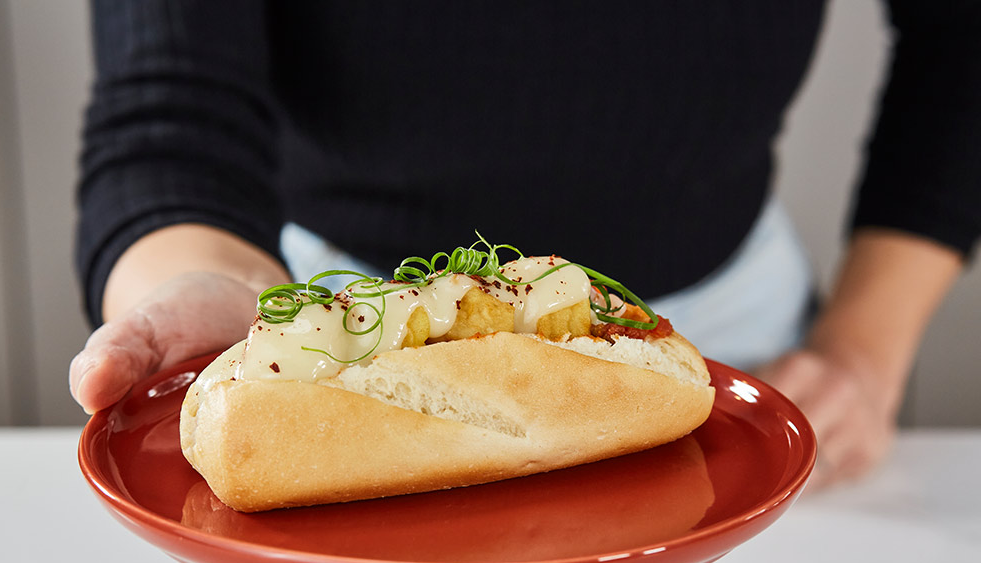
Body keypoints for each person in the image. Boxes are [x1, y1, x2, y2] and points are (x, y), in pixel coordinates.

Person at [69, 1, 977, 490]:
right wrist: (205, 281)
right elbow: (167, 102)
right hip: (321, 349)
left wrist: (863, 351)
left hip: (743, 357)